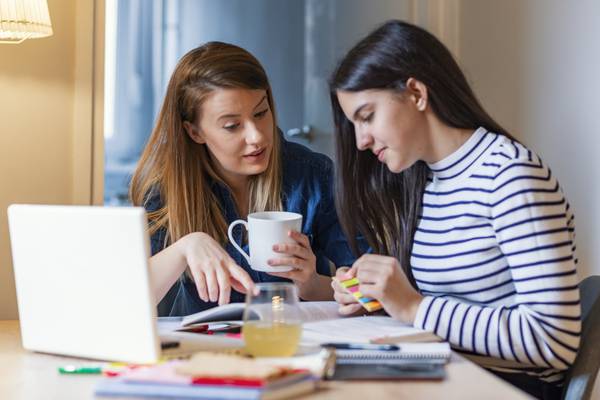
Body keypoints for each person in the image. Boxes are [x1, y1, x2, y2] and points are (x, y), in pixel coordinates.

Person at [329, 20, 580, 400]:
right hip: (448, 373)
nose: (361, 141)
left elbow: (554, 340)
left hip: (506, 387)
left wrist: (413, 306)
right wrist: (377, 297)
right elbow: (450, 310)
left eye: (366, 117)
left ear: (415, 93)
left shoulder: (510, 175)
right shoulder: (427, 181)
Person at [130, 41, 359, 317]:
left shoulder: (313, 175)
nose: (257, 136)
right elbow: (121, 304)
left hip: (295, 342)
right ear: (194, 132)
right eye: (232, 126)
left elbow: (365, 287)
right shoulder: (166, 191)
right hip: (206, 351)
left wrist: (311, 283)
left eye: (261, 113)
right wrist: (185, 248)